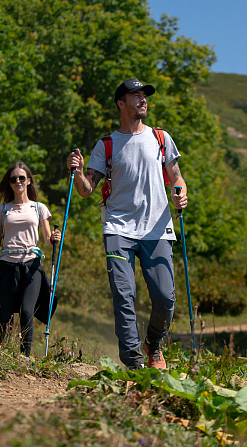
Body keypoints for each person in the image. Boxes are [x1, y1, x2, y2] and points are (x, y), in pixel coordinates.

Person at [66, 78, 188, 370]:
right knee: (124, 294)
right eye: (135, 95)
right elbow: (86, 190)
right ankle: (134, 363)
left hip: (157, 229)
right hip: (118, 228)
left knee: (165, 297)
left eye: (144, 95)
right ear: (121, 103)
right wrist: (79, 172)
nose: (143, 99)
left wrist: (180, 195)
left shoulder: (161, 138)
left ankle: (153, 343)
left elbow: (177, 178)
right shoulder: (107, 144)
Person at [0, 161, 61, 358]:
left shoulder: (39, 208)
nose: (18, 181)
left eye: (22, 178)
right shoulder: (3, 209)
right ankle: (3, 355)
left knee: (27, 311)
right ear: (10, 183)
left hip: (32, 265)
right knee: (5, 314)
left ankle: (25, 357)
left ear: (28, 181)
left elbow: (47, 240)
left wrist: (55, 238)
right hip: (8, 265)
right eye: (14, 179)